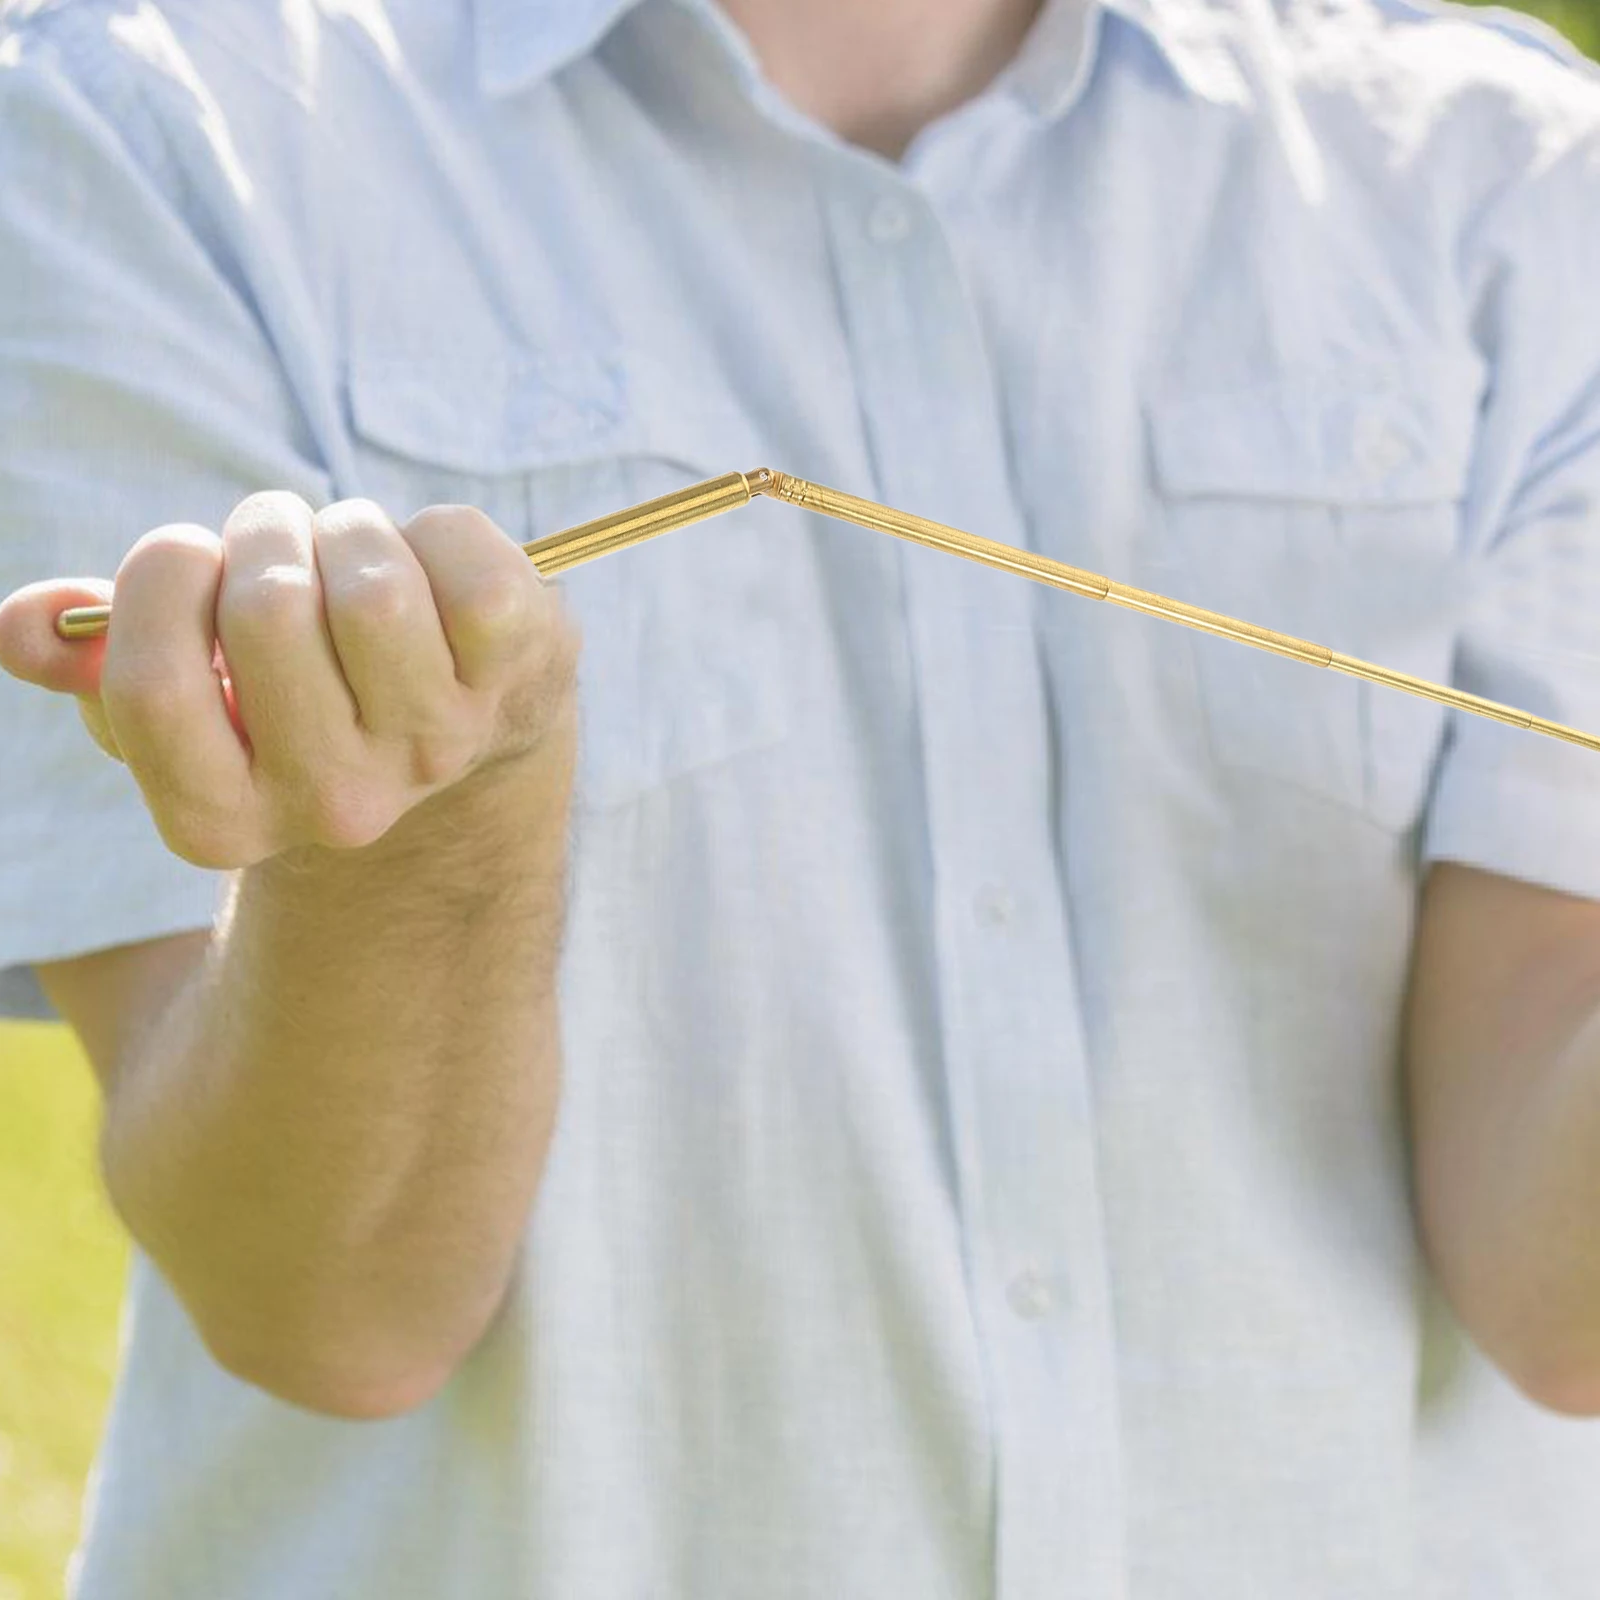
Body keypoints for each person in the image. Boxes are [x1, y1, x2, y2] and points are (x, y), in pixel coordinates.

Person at [4, 0, 1600, 1593]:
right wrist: (428, 834)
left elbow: (1560, 1300)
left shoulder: (1509, 183)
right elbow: (323, 1309)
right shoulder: (137, 131)